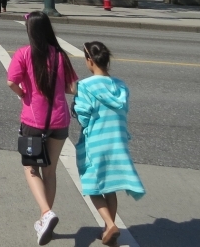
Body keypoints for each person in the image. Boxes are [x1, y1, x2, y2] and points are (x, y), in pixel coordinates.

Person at [7, 11, 78, 246]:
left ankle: (46, 213)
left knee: (30, 168)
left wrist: (23, 94)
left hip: (33, 122)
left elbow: (11, 82)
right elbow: (72, 88)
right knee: (50, 171)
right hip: (60, 121)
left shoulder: (24, 53)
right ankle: (44, 219)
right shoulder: (60, 55)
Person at [74, 41, 145, 246]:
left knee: (92, 186)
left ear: (90, 60)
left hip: (96, 141)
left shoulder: (85, 86)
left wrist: (75, 109)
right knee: (109, 187)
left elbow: (83, 116)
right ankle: (108, 229)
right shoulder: (121, 86)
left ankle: (110, 225)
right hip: (117, 140)